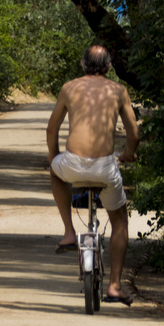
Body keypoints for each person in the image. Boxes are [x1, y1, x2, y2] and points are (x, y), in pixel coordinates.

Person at [46, 44, 140, 305]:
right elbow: (134, 133)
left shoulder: (69, 88)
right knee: (120, 221)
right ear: (109, 66)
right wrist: (129, 153)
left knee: (55, 173)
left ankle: (68, 232)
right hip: (105, 167)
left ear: (82, 64)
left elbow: (51, 129)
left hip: (73, 163)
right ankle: (114, 286)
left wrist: (53, 157)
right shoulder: (118, 90)